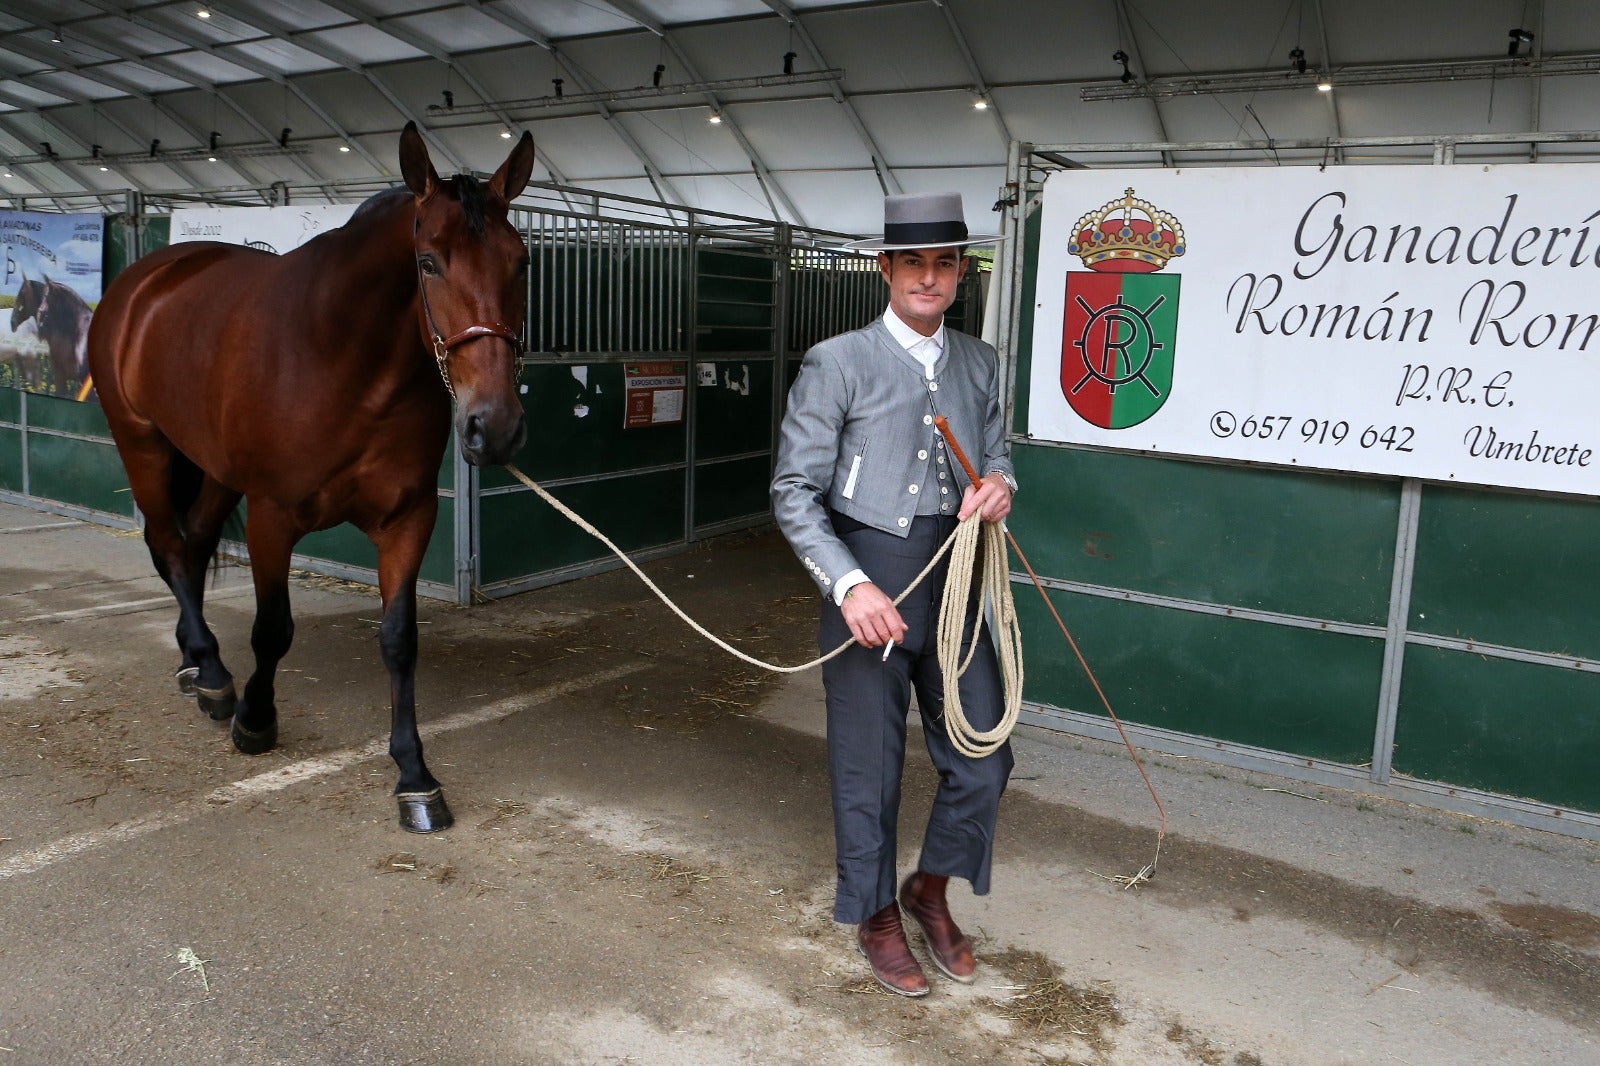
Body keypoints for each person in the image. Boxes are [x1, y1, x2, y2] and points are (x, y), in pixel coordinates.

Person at [771, 191, 1018, 997]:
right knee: (867, 768)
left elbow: (1001, 451)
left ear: (961, 273)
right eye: (913, 261)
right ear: (886, 269)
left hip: (956, 583)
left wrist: (1002, 484)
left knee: (986, 755)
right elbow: (793, 493)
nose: (929, 277)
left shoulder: (981, 362)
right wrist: (849, 585)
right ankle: (876, 916)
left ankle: (930, 890)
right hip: (867, 578)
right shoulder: (836, 360)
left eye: (944, 263)